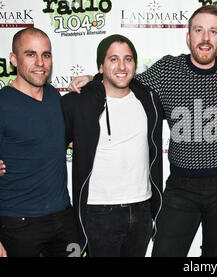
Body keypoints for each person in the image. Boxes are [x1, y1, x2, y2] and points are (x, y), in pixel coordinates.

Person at [68, 5, 217, 257]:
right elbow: (123, 81)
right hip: (181, 188)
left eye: (213, 32)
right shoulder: (165, 71)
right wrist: (93, 80)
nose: (205, 38)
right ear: (188, 37)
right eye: (199, 30)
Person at [61, 35, 163, 257]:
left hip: (142, 209)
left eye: (128, 59)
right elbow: (49, 145)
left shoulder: (149, 100)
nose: (121, 66)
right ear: (101, 65)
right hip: (99, 212)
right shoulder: (78, 103)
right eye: (113, 59)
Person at [0, 27, 79, 257]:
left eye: (46, 54)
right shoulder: (3, 104)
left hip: (63, 217)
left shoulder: (55, 97)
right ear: (14, 59)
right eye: (30, 54)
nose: (40, 62)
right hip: (18, 224)